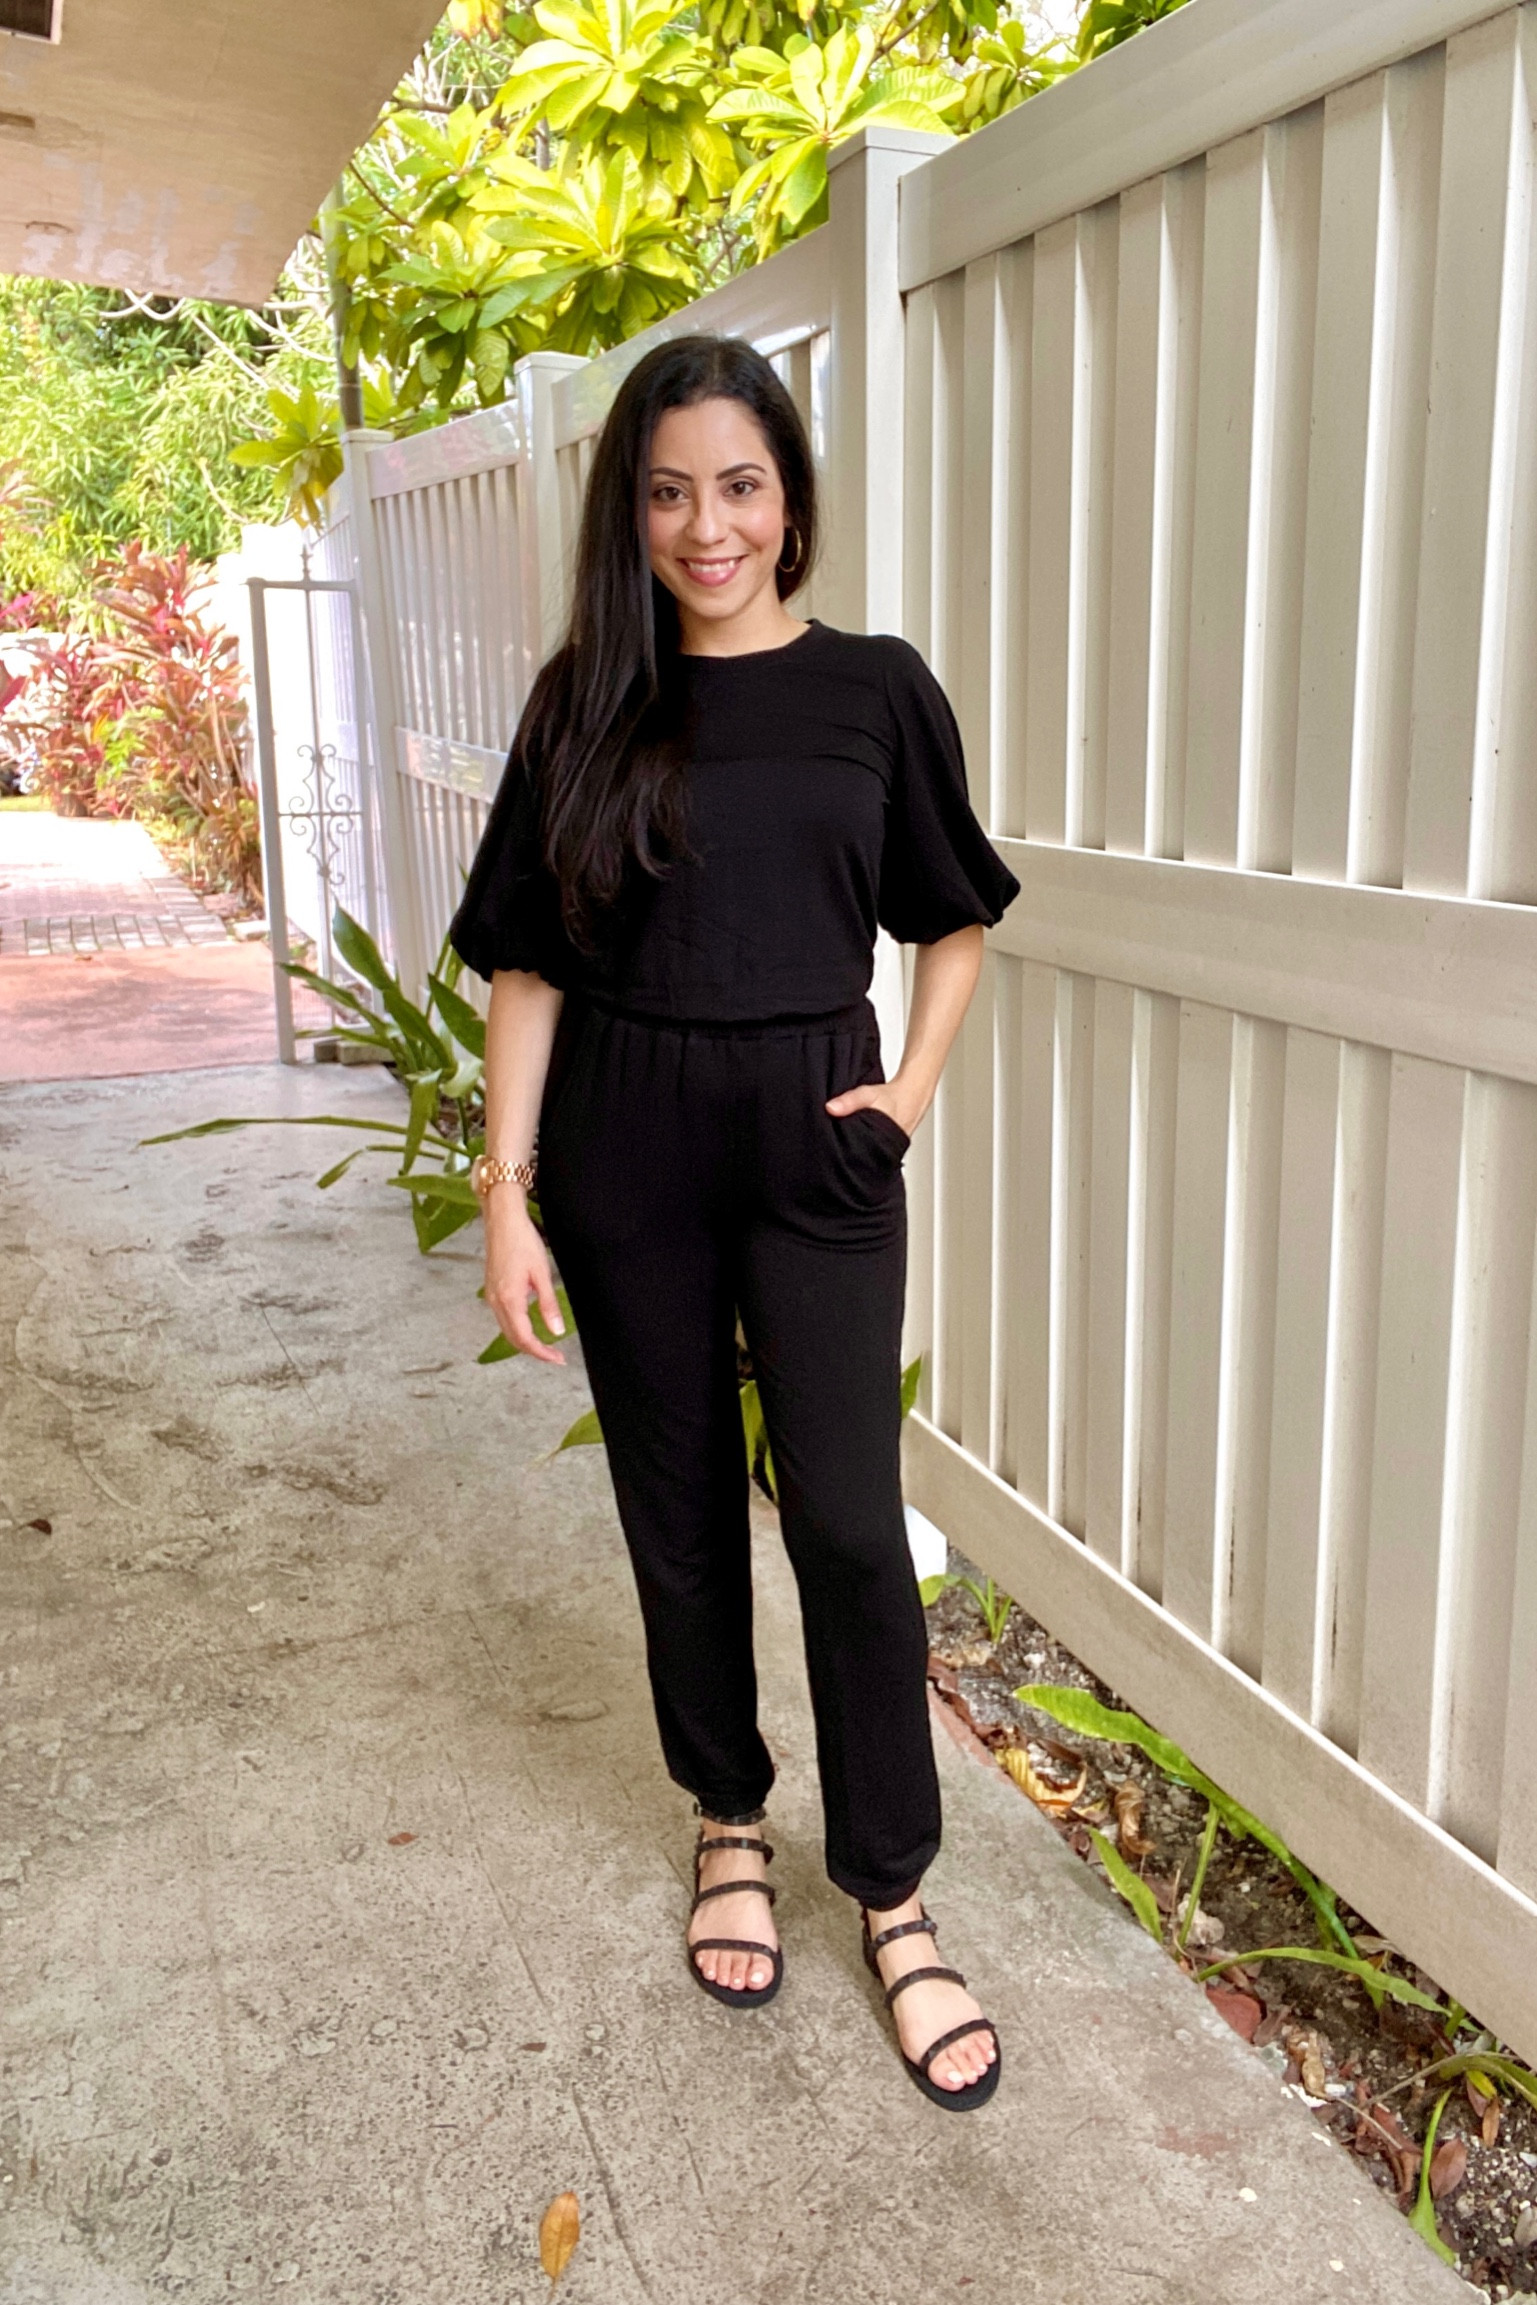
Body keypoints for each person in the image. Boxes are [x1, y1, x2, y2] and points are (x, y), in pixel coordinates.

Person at [450, 333, 1020, 2110]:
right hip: (624, 1137)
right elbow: (530, 963)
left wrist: (906, 1096)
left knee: (849, 1524)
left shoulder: (875, 690)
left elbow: (954, 913)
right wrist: (507, 1193)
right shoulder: (580, 703)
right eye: (672, 490)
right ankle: (725, 1816)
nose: (710, 525)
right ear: (633, 512)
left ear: (792, 498)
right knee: (678, 1513)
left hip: (812, 1136)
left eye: (742, 484)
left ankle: (896, 1893)